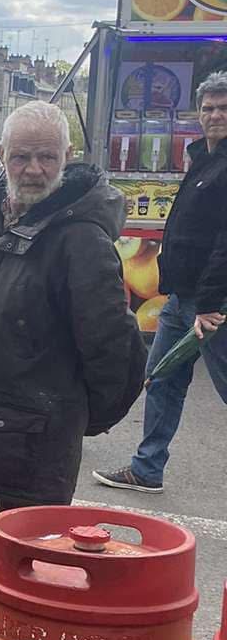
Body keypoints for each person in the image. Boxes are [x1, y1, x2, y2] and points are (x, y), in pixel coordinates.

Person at [0, 100, 145, 519]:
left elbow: (115, 351)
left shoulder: (81, 239)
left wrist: (71, 420)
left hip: (32, 452)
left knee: (26, 569)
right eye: (21, 157)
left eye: (47, 157)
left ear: (68, 157)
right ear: (2, 156)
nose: (34, 169)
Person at [95, 72, 227, 493]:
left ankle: (146, 467)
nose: (215, 115)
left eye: (224, 108)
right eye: (208, 108)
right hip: (181, 299)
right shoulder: (204, 160)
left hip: (212, 305)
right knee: (162, 378)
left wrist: (209, 303)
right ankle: (147, 469)